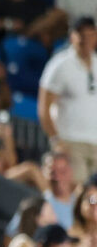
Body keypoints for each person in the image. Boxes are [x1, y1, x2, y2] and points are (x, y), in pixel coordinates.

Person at [39, 17, 97, 182]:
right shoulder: (59, 65)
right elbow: (44, 106)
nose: (85, 39)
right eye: (81, 34)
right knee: (77, 191)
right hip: (71, 141)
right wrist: (56, 139)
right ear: (72, 36)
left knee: (95, 197)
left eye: (90, 34)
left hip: (95, 141)